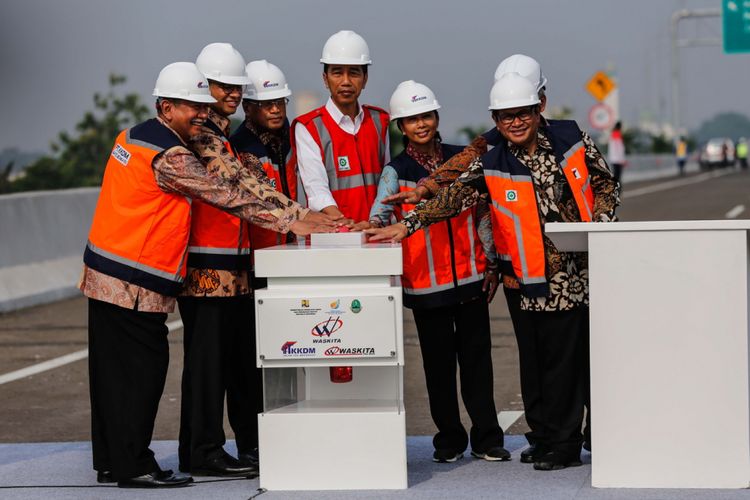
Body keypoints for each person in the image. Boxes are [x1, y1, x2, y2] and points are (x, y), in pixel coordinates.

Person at [80, 61, 334, 489]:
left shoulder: (134, 136)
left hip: (106, 268)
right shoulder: (172, 154)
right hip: (134, 279)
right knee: (142, 372)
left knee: (110, 375)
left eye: (202, 106)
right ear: (165, 107)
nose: (200, 114)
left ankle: (112, 459)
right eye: (190, 107)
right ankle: (135, 464)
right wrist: (295, 219)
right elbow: (227, 193)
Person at [366, 72, 620, 471]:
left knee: (564, 362)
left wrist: (602, 223)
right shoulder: (492, 158)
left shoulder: (570, 138)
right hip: (525, 273)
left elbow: (606, 183)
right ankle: (549, 437)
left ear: (538, 110)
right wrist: (410, 221)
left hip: (572, 271)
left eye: (522, 114)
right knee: (538, 363)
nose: (515, 123)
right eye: (505, 117)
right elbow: (455, 194)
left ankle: (567, 442)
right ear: (495, 120)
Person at [360, 80, 509, 463]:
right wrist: (364, 230)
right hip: (425, 283)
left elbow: (482, 214)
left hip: (472, 277)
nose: (421, 125)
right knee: (438, 367)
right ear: (401, 127)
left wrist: (490, 261)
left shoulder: (463, 160)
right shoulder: (396, 171)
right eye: (411, 120)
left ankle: (488, 438)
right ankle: (449, 439)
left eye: (425, 115)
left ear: (437, 116)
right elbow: (381, 214)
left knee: (478, 362)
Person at [176, 42, 261, 478]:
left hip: (232, 266)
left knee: (225, 365)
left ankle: (202, 448)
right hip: (206, 269)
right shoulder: (202, 135)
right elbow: (239, 190)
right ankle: (204, 450)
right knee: (208, 368)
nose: (231, 93)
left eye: (236, 87)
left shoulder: (221, 132)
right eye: (222, 85)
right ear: (203, 87)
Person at [292, 30, 390, 223]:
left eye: (354, 73)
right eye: (337, 72)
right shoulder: (308, 127)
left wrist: (374, 223)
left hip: (376, 233)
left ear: (365, 79)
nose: (346, 81)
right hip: (331, 236)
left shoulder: (380, 121)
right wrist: (344, 222)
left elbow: (388, 182)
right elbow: (316, 188)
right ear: (325, 79)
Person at [231, 59, 298, 261]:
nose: (275, 109)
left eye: (279, 101)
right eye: (266, 104)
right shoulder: (239, 147)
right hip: (259, 255)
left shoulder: (292, 136)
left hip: (294, 247)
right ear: (247, 108)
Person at [607, 121, 626, 185]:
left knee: (615, 176)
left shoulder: (612, 134)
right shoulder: (618, 134)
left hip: (613, 159)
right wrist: (622, 160)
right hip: (618, 159)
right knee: (618, 177)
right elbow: (619, 149)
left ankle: (615, 191)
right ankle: (617, 191)